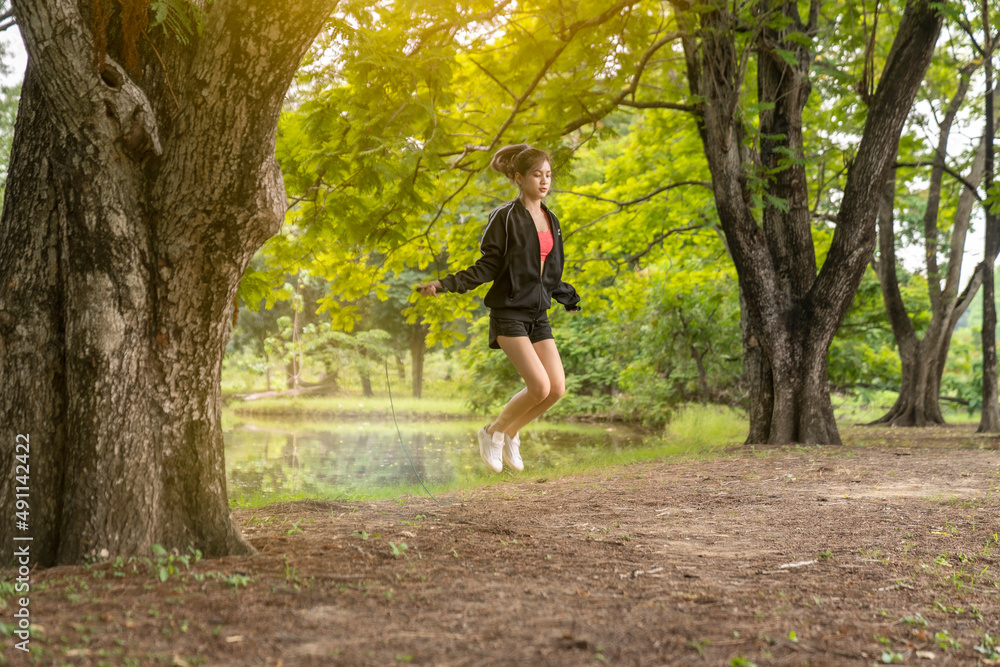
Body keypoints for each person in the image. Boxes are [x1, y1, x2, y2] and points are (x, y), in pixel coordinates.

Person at [416, 144, 581, 473]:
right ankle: (492, 432)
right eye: (537, 175)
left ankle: (511, 432)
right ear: (520, 178)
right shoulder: (504, 217)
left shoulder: (552, 219)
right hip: (508, 312)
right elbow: (488, 266)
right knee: (539, 386)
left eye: (548, 175)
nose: (544, 181)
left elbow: (548, 270)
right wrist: (444, 284)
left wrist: (565, 294)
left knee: (556, 389)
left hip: (538, 315)